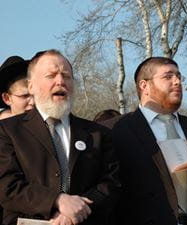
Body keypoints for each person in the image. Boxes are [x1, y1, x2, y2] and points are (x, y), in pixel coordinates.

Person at [0, 49, 120, 225]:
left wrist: (74, 211)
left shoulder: (97, 134)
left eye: (67, 76)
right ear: (31, 85)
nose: (60, 81)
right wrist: (57, 201)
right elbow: (7, 185)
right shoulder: (8, 131)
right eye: (51, 76)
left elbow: (110, 184)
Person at [112, 57, 187, 225]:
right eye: (168, 76)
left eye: (178, 76)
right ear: (144, 86)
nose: (177, 82)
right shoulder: (117, 131)